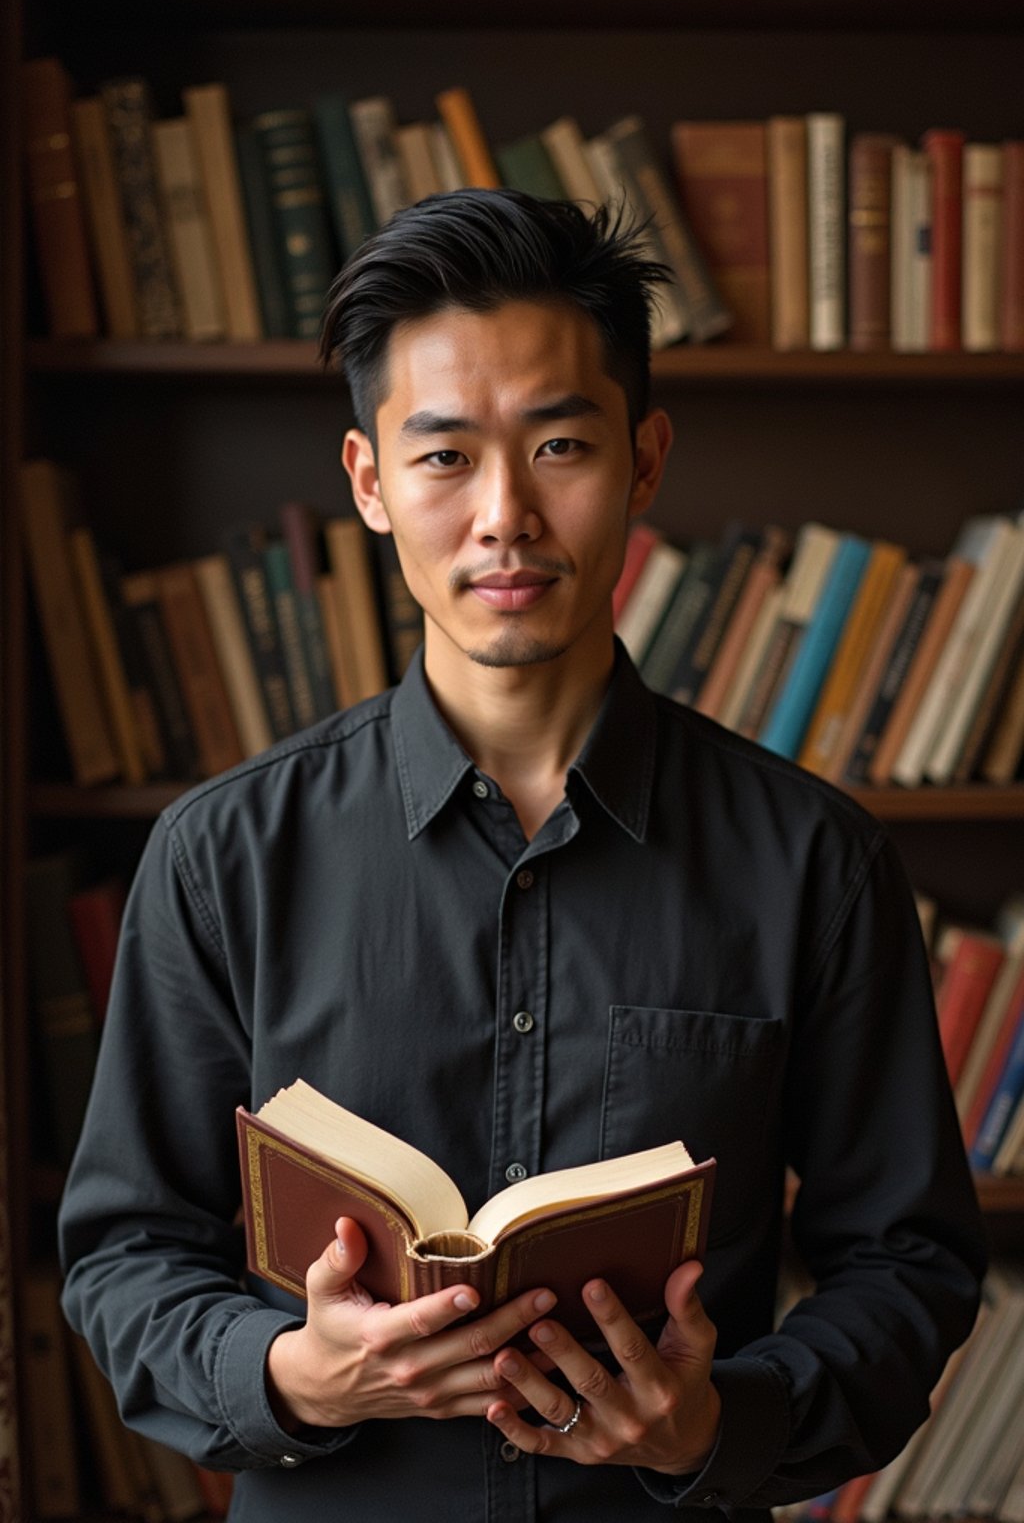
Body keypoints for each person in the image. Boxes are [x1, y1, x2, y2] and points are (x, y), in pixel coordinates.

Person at [59, 189, 986, 1523]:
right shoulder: (222, 859)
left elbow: (909, 1264)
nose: (504, 515)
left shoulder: (813, 859)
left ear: (646, 458)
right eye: (443, 457)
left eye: (559, 444)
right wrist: (290, 1376)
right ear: (370, 482)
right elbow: (124, 1251)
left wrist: (716, 1425)